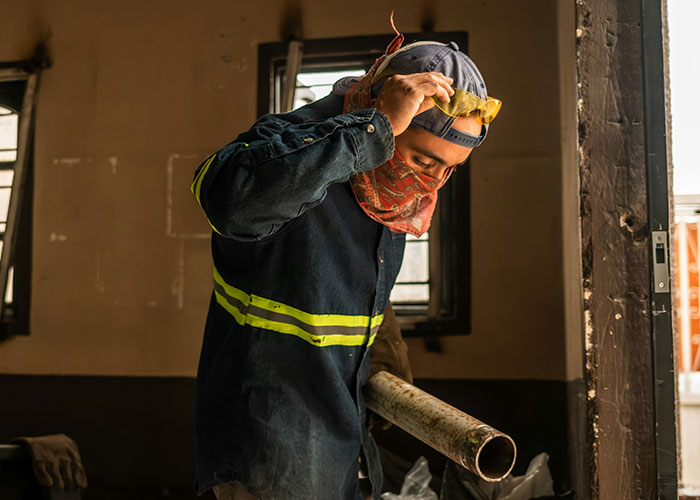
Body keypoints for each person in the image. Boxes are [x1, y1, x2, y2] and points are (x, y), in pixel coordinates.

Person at [191, 33, 500, 500]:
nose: (433, 182)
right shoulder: (291, 150)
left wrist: (381, 345)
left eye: (451, 169)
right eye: (423, 159)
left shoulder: (386, 194)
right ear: (377, 111)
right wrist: (370, 132)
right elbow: (229, 201)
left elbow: (346, 281)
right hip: (269, 452)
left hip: (342, 442)